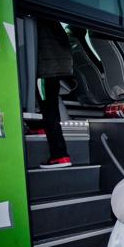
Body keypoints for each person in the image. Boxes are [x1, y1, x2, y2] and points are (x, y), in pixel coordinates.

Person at [37, 19, 73, 168]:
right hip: (56, 67)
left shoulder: (39, 23)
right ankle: (37, 126)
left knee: (48, 107)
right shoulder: (54, 24)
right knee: (49, 105)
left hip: (46, 68)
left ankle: (59, 154)